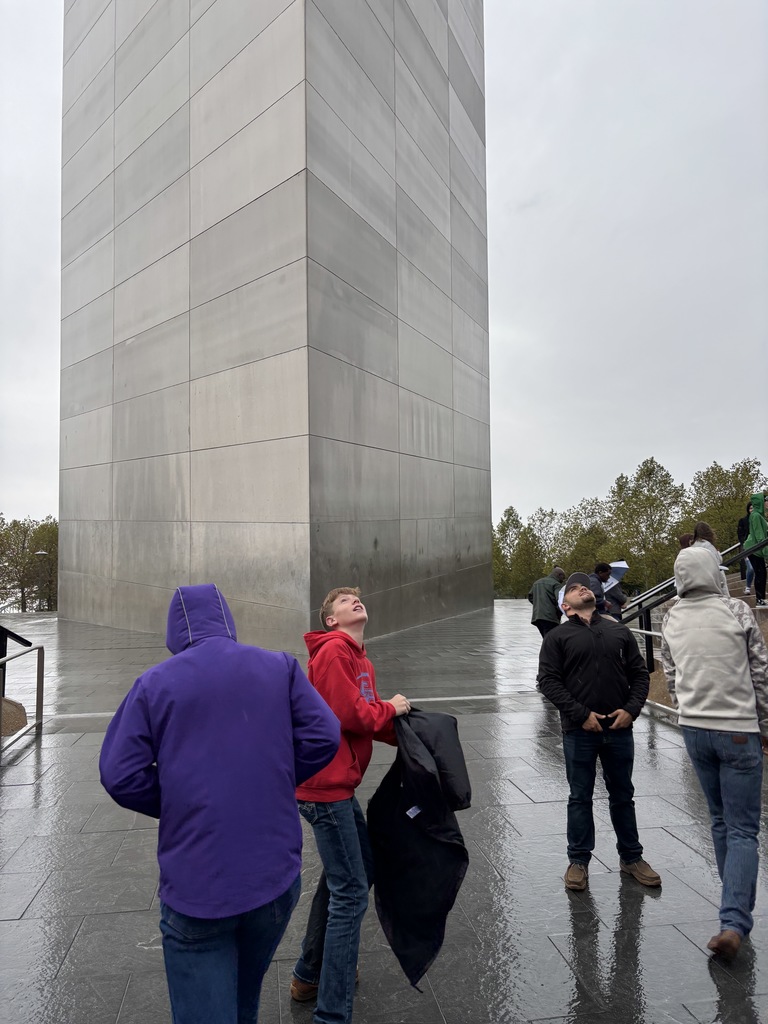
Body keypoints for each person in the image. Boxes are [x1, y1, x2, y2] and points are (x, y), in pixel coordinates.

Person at [99, 584, 341, 1024]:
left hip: (197, 890)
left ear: (174, 631)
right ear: (227, 619)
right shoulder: (279, 666)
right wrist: (273, 779)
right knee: (243, 1000)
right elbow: (324, 735)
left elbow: (119, 773)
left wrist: (178, 799)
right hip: (274, 880)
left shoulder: (154, 683)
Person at [291, 587, 411, 1024]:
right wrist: (391, 709)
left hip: (338, 784)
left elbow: (366, 719)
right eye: (343, 601)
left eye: (356, 599)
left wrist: (409, 736)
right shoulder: (334, 653)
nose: (353, 602)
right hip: (324, 788)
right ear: (331, 620)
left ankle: (308, 973)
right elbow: (351, 715)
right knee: (351, 892)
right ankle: (332, 1011)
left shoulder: (361, 659)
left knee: (351, 871)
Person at [660, 547, 768, 960]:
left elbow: (671, 674)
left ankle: (731, 907)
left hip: (694, 730)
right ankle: (734, 920)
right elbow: (760, 672)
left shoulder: (671, 617)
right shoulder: (736, 612)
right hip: (737, 729)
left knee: (720, 822)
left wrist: (687, 710)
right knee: (743, 828)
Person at [537, 572, 660, 892]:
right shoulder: (557, 638)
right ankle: (578, 861)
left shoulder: (618, 631)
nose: (582, 587)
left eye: (585, 585)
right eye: (574, 588)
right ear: (565, 605)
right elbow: (548, 682)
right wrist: (580, 715)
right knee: (580, 797)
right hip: (579, 731)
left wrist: (631, 710)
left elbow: (640, 674)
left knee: (623, 795)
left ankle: (632, 857)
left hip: (619, 728)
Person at [527, 567, 566, 638]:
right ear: (559, 575)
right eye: (563, 578)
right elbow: (559, 600)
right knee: (551, 640)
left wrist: (539, 604)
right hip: (550, 617)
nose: (562, 581)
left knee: (547, 638)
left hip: (537, 617)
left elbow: (530, 597)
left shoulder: (537, 583)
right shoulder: (556, 584)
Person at [743, 493, 768, 606]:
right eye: (765, 500)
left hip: (756, 549)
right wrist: (765, 552)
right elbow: (759, 535)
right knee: (760, 573)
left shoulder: (759, 515)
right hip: (754, 549)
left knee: (762, 573)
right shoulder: (756, 516)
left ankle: (761, 598)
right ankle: (759, 599)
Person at [692, 522, 729, 596]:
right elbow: (717, 561)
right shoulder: (707, 545)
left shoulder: (693, 546)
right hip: (714, 576)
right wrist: (718, 554)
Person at [738, 502, 755, 594]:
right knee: (751, 568)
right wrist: (744, 544)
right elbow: (740, 535)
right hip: (747, 547)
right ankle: (748, 587)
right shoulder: (743, 521)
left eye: (754, 508)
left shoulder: (760, 519)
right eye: (750, 508)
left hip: (759, 547)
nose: (752, 510)